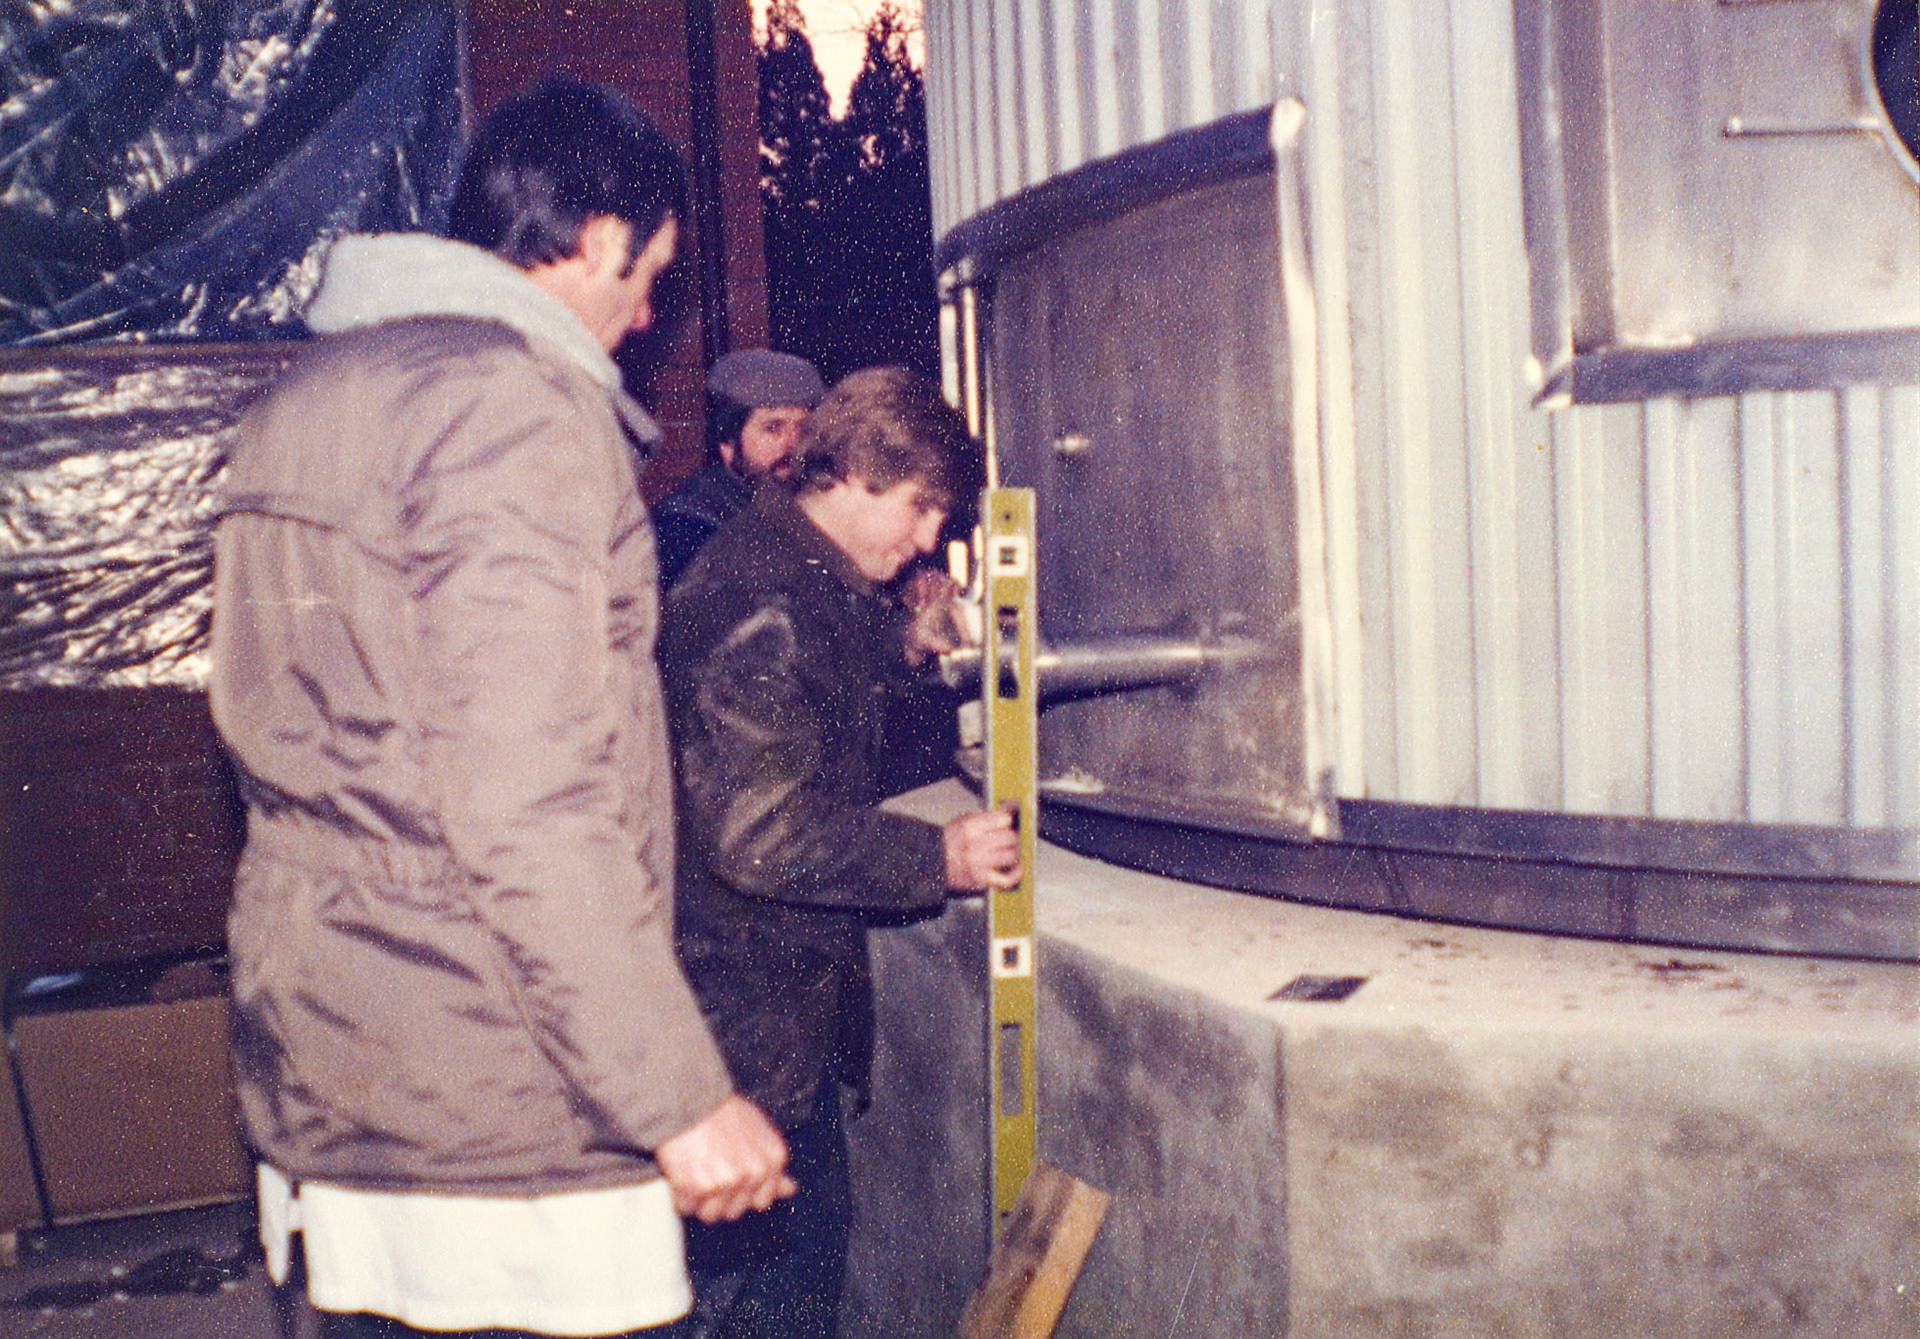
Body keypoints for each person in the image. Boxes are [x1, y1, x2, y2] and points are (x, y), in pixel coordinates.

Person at [209, 76, 794, 1339]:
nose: (647, 316)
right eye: (650, 275)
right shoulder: (514, 413)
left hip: (331, 1052)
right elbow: (529, 802)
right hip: (492, 1091)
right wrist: (678, 1095)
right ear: (594, 237)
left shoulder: (305, 401)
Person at [659, 366, 1023, 1339]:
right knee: (761, 1297)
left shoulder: (799, 574)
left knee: (790, 1277)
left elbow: (814, 694)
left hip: (767, 1009)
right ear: (857, 473)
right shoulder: (759, 602)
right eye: (919, 508)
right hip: (740, 1026)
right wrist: (933, 856)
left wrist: (905, 644)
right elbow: (761, 832)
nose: (926, 539)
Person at [652, 349, 826, 590]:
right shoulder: (689, 529)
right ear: (727, 443)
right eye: (773, 428)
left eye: (803, 428)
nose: (792, 444)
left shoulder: (799, 508)